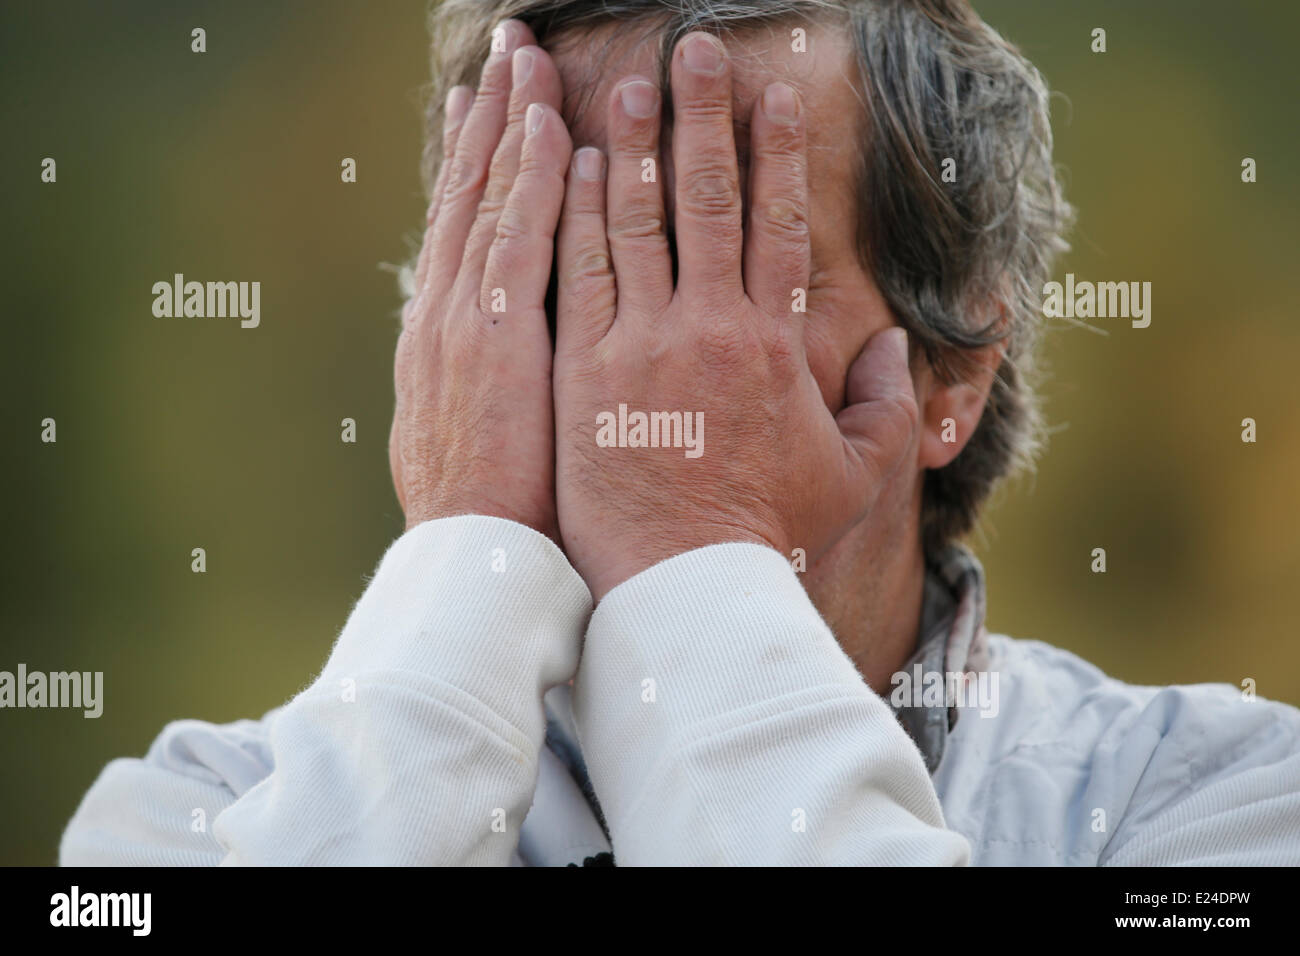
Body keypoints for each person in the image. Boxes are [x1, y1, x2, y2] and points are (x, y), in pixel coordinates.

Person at [61, 0, 1300, 866]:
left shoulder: (1215, 805)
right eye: (560, 268)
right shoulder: (185, 819)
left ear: (953, 372)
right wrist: (470, 540)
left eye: (730, 282)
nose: (631, 370)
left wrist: (689, 553)